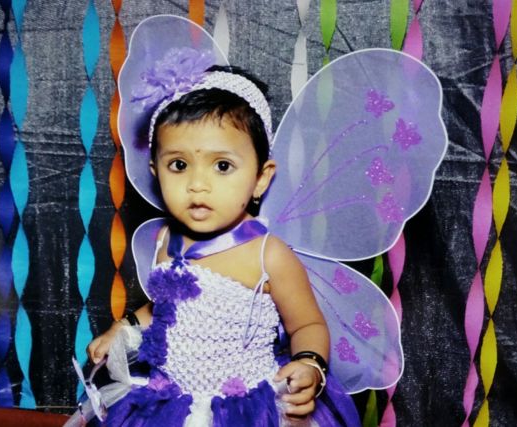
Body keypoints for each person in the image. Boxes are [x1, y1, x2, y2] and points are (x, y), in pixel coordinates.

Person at [82, 62, 361, 426]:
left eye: (223, 166)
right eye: (178, 165)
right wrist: (122, 329)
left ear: (260, 178)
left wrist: (310, 364)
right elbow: (165, 308)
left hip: (246, 407)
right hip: (171, 403)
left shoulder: (267, 254)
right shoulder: (166, 238)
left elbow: (307, 324)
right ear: (155, 171)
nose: (198, 184)